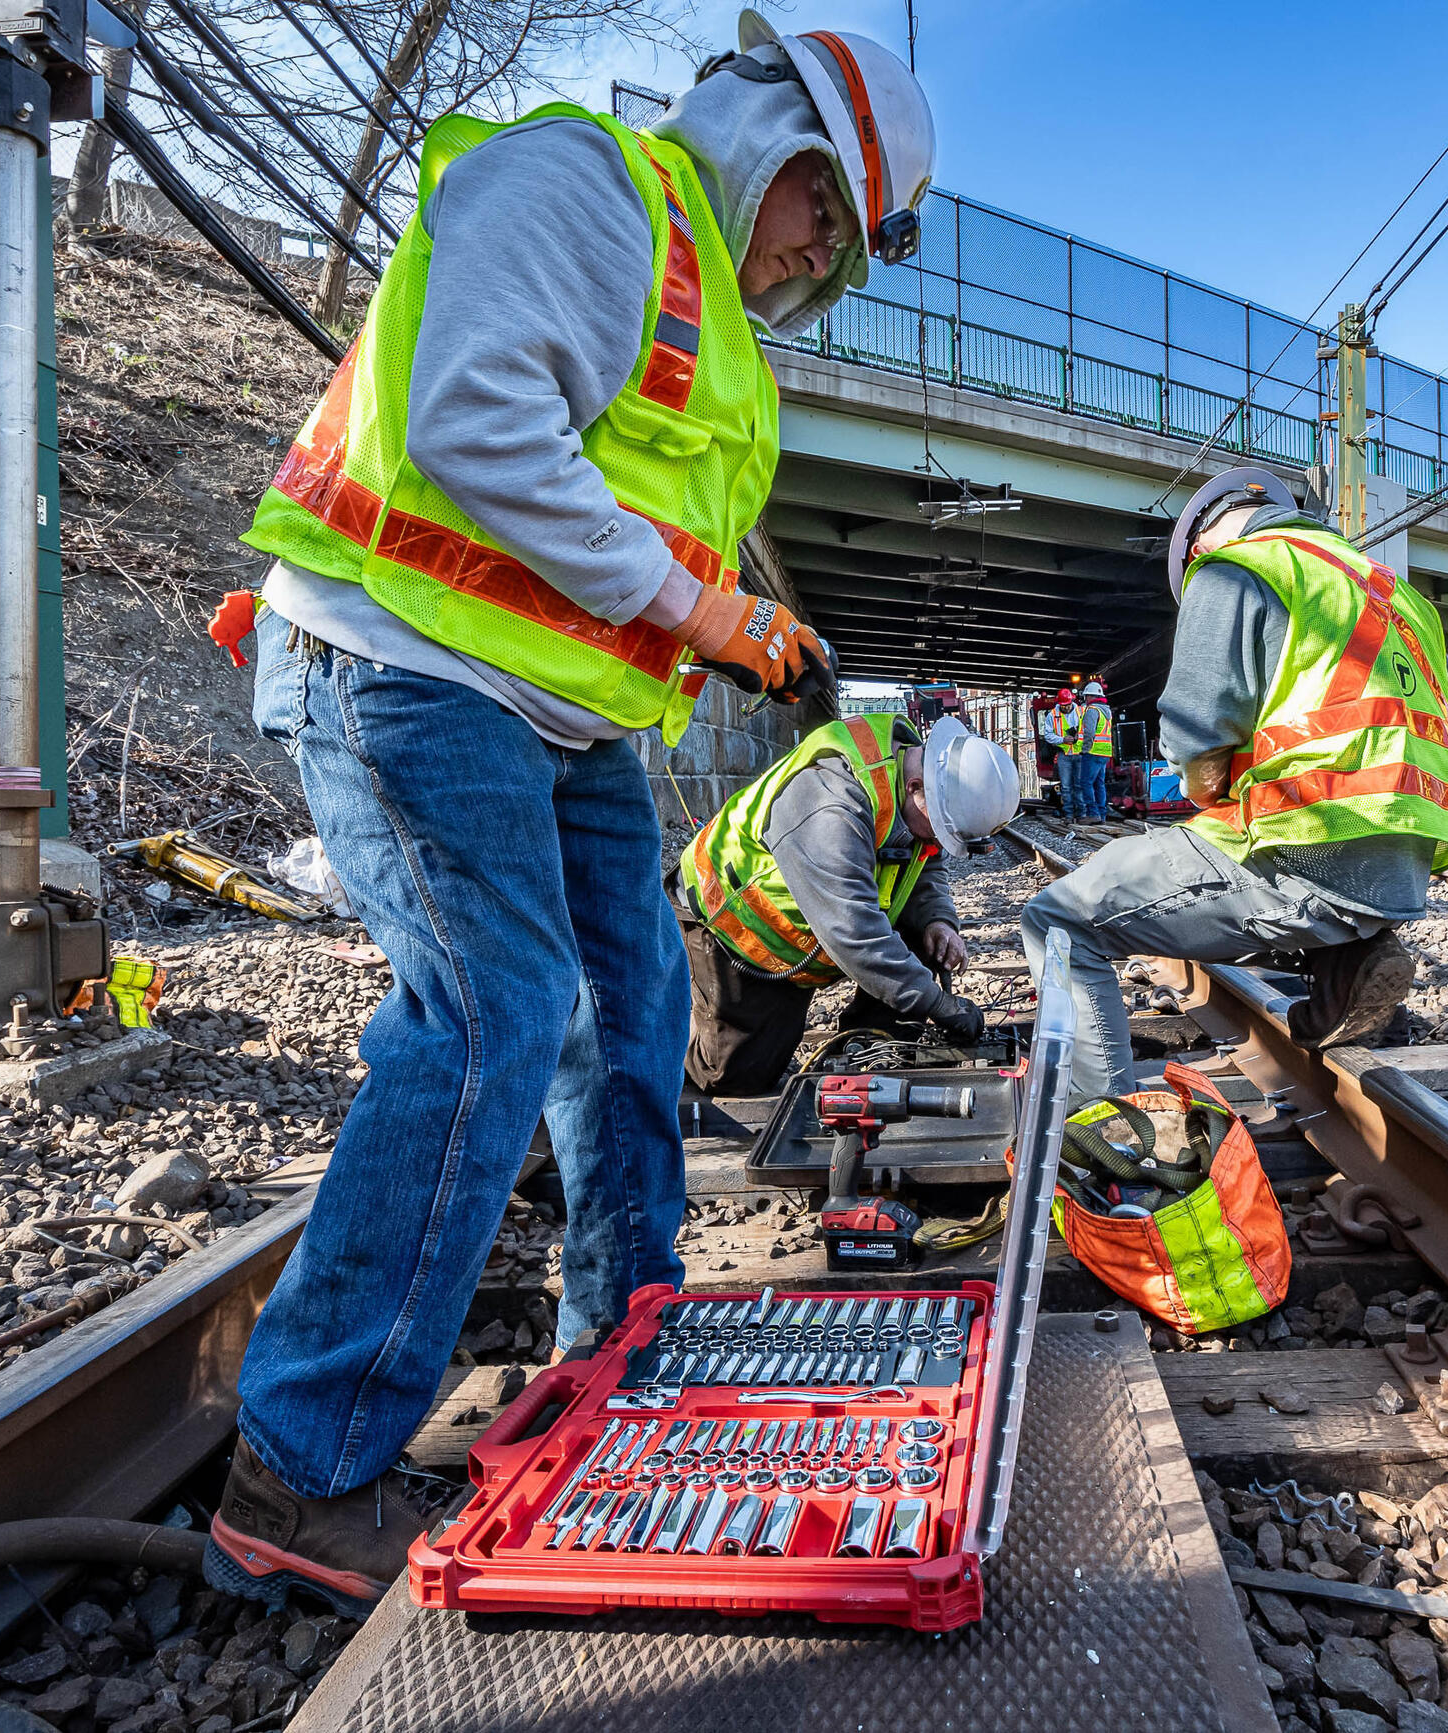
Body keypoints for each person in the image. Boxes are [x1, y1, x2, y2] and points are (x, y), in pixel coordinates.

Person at [206, 14, 935, 1616]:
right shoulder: (589, 187)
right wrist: (700, 606)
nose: (822, 255)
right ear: (784, 149)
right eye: (828, 213)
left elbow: (623, 490)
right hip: (408, 664)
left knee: (634, 1004)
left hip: (565, 714)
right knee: (492, 1016)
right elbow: (479, 428)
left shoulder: (717, 314)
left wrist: (713, 607)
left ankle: (625, 1334)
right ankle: (300, 1465)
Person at [1021, 468, 1448, 1102]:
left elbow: (1197, 737)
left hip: (1298, 846)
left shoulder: (1235, 569)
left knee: (1059, 921)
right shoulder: (1397, 596)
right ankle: (1342, 960)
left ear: (1200, 540)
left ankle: (1107, 1123)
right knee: (1257, 904)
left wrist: (1215, 795)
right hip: (1401, 876)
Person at [678, 713, 1018, 1095]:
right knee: (735, 1077)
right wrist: (939, 1005)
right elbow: (855, 934)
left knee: (920, 941)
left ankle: (868, 1049)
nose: (935, 841)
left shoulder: (914, 796)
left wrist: (938, 921)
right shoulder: (831, 805)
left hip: (809, 938)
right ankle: (674, 1017)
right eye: (939, 828)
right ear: (917, 786)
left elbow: (927, 860)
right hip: (738, 931)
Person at [1073, 677, 1117, 823]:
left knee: (1085, 782)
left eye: (1086, 696)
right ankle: (1101, 814)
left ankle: (1093, 813)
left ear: (1090, 696)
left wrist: (1085, 749)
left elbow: (1089, 733)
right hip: (1104, 753)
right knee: (1099, 784)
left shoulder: (1092, 710)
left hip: (1092, 752)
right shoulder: (1106, 711)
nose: (1085, 698)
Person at [1042, 687, 1082, 816]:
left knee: (1079, 785)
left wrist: (1078, 737)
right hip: (1063, 755)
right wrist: (1062, 739)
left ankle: (1081, 813)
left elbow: (1089, 732)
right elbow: (1048, 735)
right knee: (1066, 786)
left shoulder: (1081, 712)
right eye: (1063, 705)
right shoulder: (1052, 715)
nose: (1066, 708)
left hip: (1080, 754)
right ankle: (1069, 813)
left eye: (1068, 705)